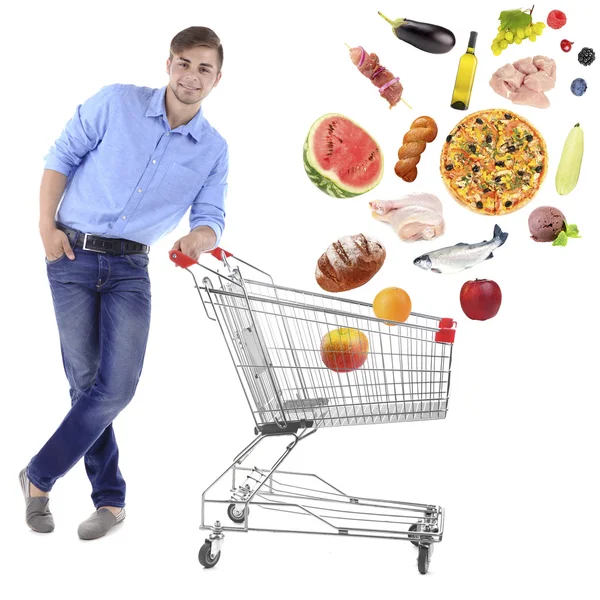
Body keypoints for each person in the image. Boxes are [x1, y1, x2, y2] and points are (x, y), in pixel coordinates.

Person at [19, 26, 228, 540]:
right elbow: (60, 157)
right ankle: (111, 502)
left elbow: (211, 214)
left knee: (116, 387)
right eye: (184, 63)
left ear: (218, 78)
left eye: (204, 67)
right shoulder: (116, 103)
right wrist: (45, 228)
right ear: (168, 64)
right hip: (70, 254)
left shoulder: (214, 149)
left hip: (131, 270)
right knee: (86, 384)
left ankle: (38, 476)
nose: (191, 76)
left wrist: (199, 238)